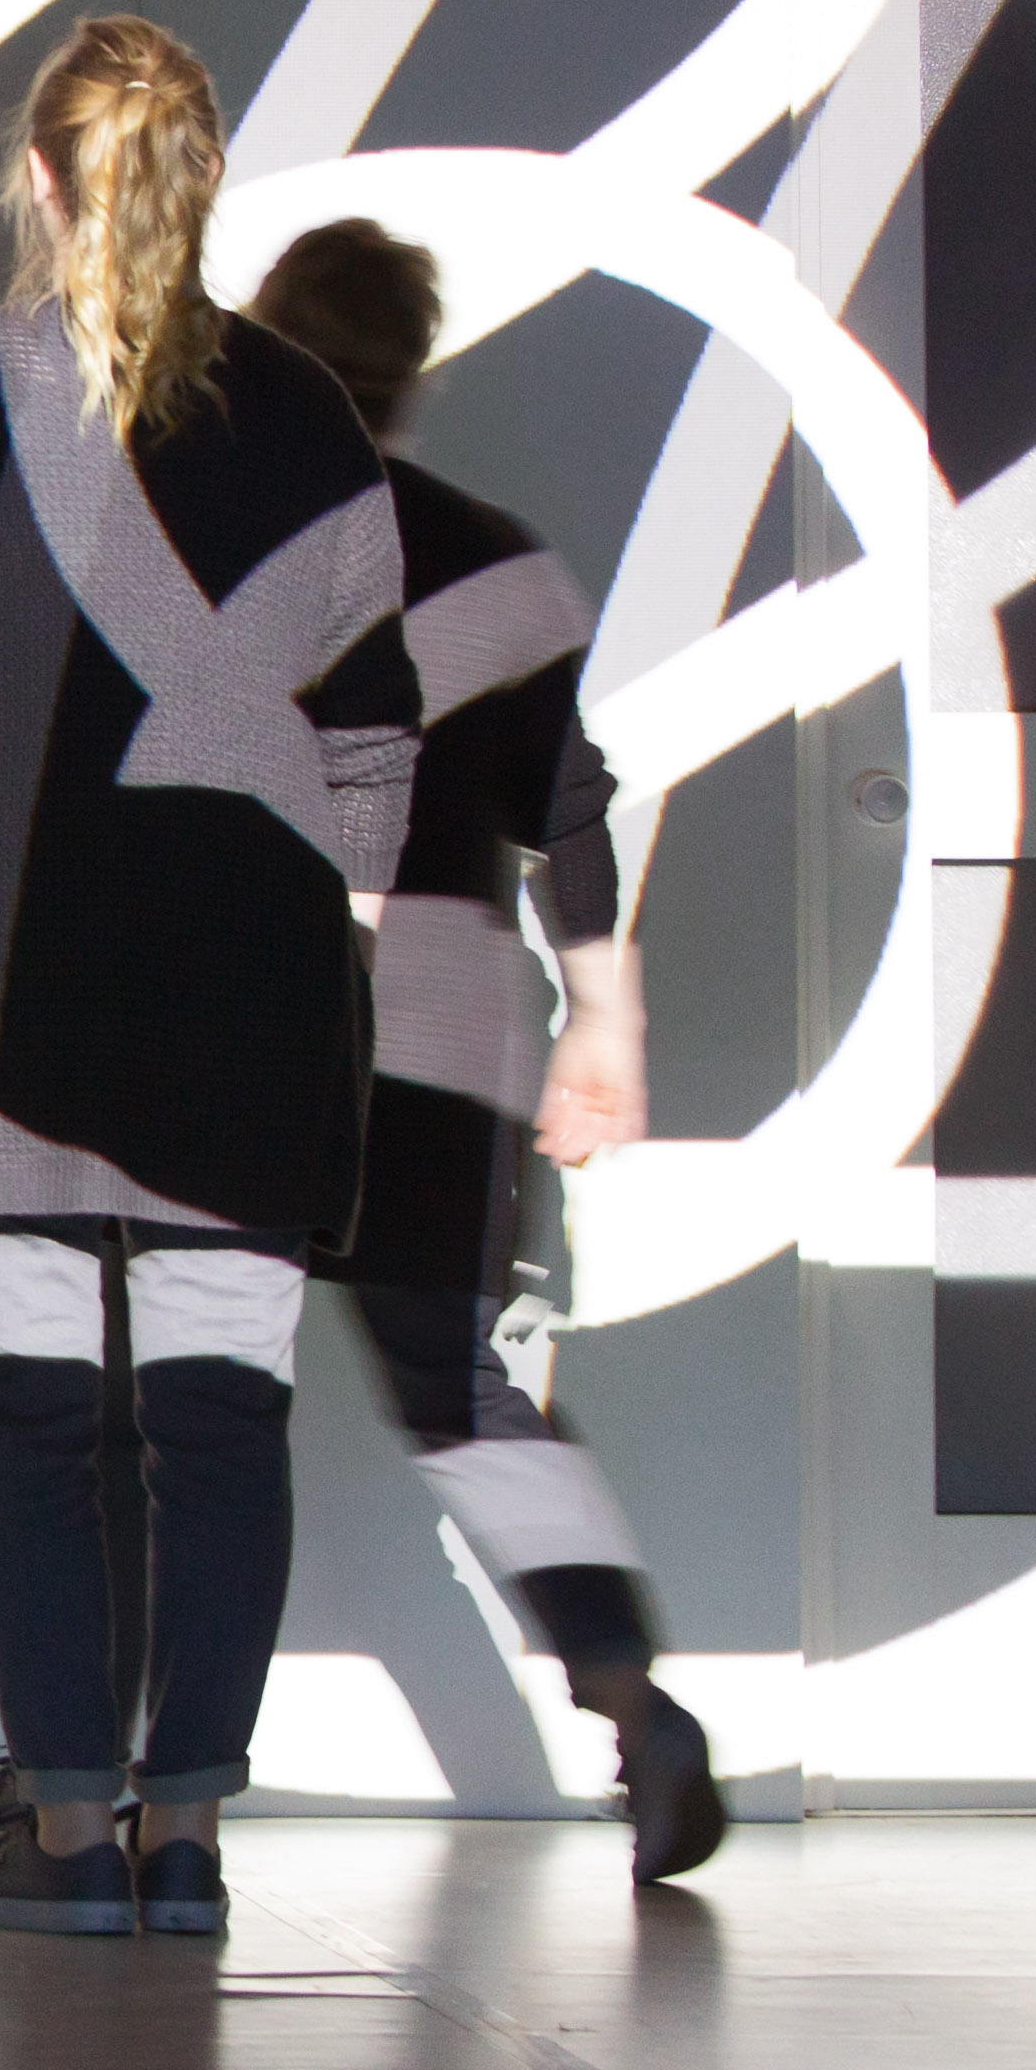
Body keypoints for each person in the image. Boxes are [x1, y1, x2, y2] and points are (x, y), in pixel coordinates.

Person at [0, 19, 416, 1941]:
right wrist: (334, 947)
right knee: (225, 1426)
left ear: (37, 177)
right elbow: (378, 737)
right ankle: (191, 1847)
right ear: (201, 184)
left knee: (30, 1428)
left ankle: (66, 1843)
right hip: (243, 1014)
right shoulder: (310, 420)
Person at [241, 219, 726, 1881]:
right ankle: (630, 1702)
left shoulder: (211, 552)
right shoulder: (500, 566)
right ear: (413, 372)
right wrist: (607, 1018)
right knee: (463, 1396)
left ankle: (109, 1776)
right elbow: (566, 816)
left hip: (231, 1019)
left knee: (166, 1400)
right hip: (443, 1028)